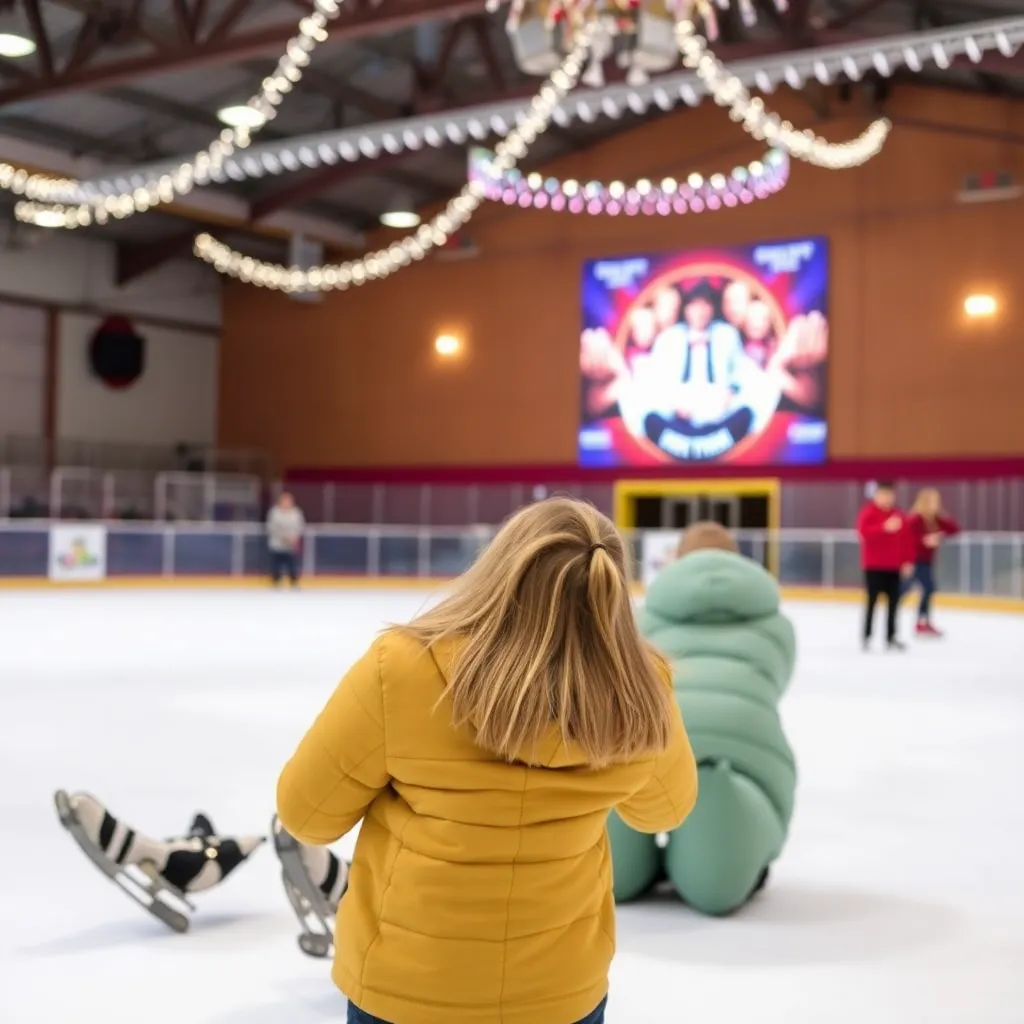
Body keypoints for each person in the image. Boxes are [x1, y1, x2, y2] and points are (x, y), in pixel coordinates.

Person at [276, 497, 698, 1024]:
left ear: (499, 568)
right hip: (560, 994)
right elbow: (664, 810)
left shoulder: (400, 668)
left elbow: (306, 815)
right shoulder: (640, 688)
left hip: (405, 990)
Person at [608, 521, 797, 915]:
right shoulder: (776, 624)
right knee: (717, 879)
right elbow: (775, 679)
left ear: (677, 560)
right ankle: (720, 840)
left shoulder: (643, 617)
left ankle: (624, 862)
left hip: (653, 735)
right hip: (746, 738)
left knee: (623, 802)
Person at [856, 481, 913, 651]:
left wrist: (907, 561)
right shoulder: (868, 513)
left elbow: (907, 540)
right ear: (876, 496)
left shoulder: (899, 515)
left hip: (893, 566)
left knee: (894, 603)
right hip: (873, 566)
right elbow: (864, 533)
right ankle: (866, 636)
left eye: (889, 495)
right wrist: (884, 528)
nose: (886, 499)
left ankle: (891, 636)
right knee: (872, 601)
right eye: (883, 495)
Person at [905, 487, 961, 637]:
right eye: (931, 501)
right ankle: (919, 620)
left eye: (936, 501)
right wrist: (925, 541)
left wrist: (940, 529)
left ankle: (923, 621)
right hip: (914, 559)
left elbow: (954, 529)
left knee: (926, 588)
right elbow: (908, 539)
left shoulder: (936, 519)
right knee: (920, 588)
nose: (934, 504)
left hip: (926, 560)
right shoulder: (915, 519)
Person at [267, 491, 305, 588]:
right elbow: (272, 527)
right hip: (277, 544)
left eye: (288, 501)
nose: (287, 503)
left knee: (292, 564)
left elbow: (300, 526)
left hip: (291, 545)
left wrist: (294, 537)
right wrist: (283, 536)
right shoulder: (274, 512)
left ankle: (294, 582)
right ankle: (276, 582)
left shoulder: (296, 513)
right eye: (285, 501)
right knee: (276, 564)